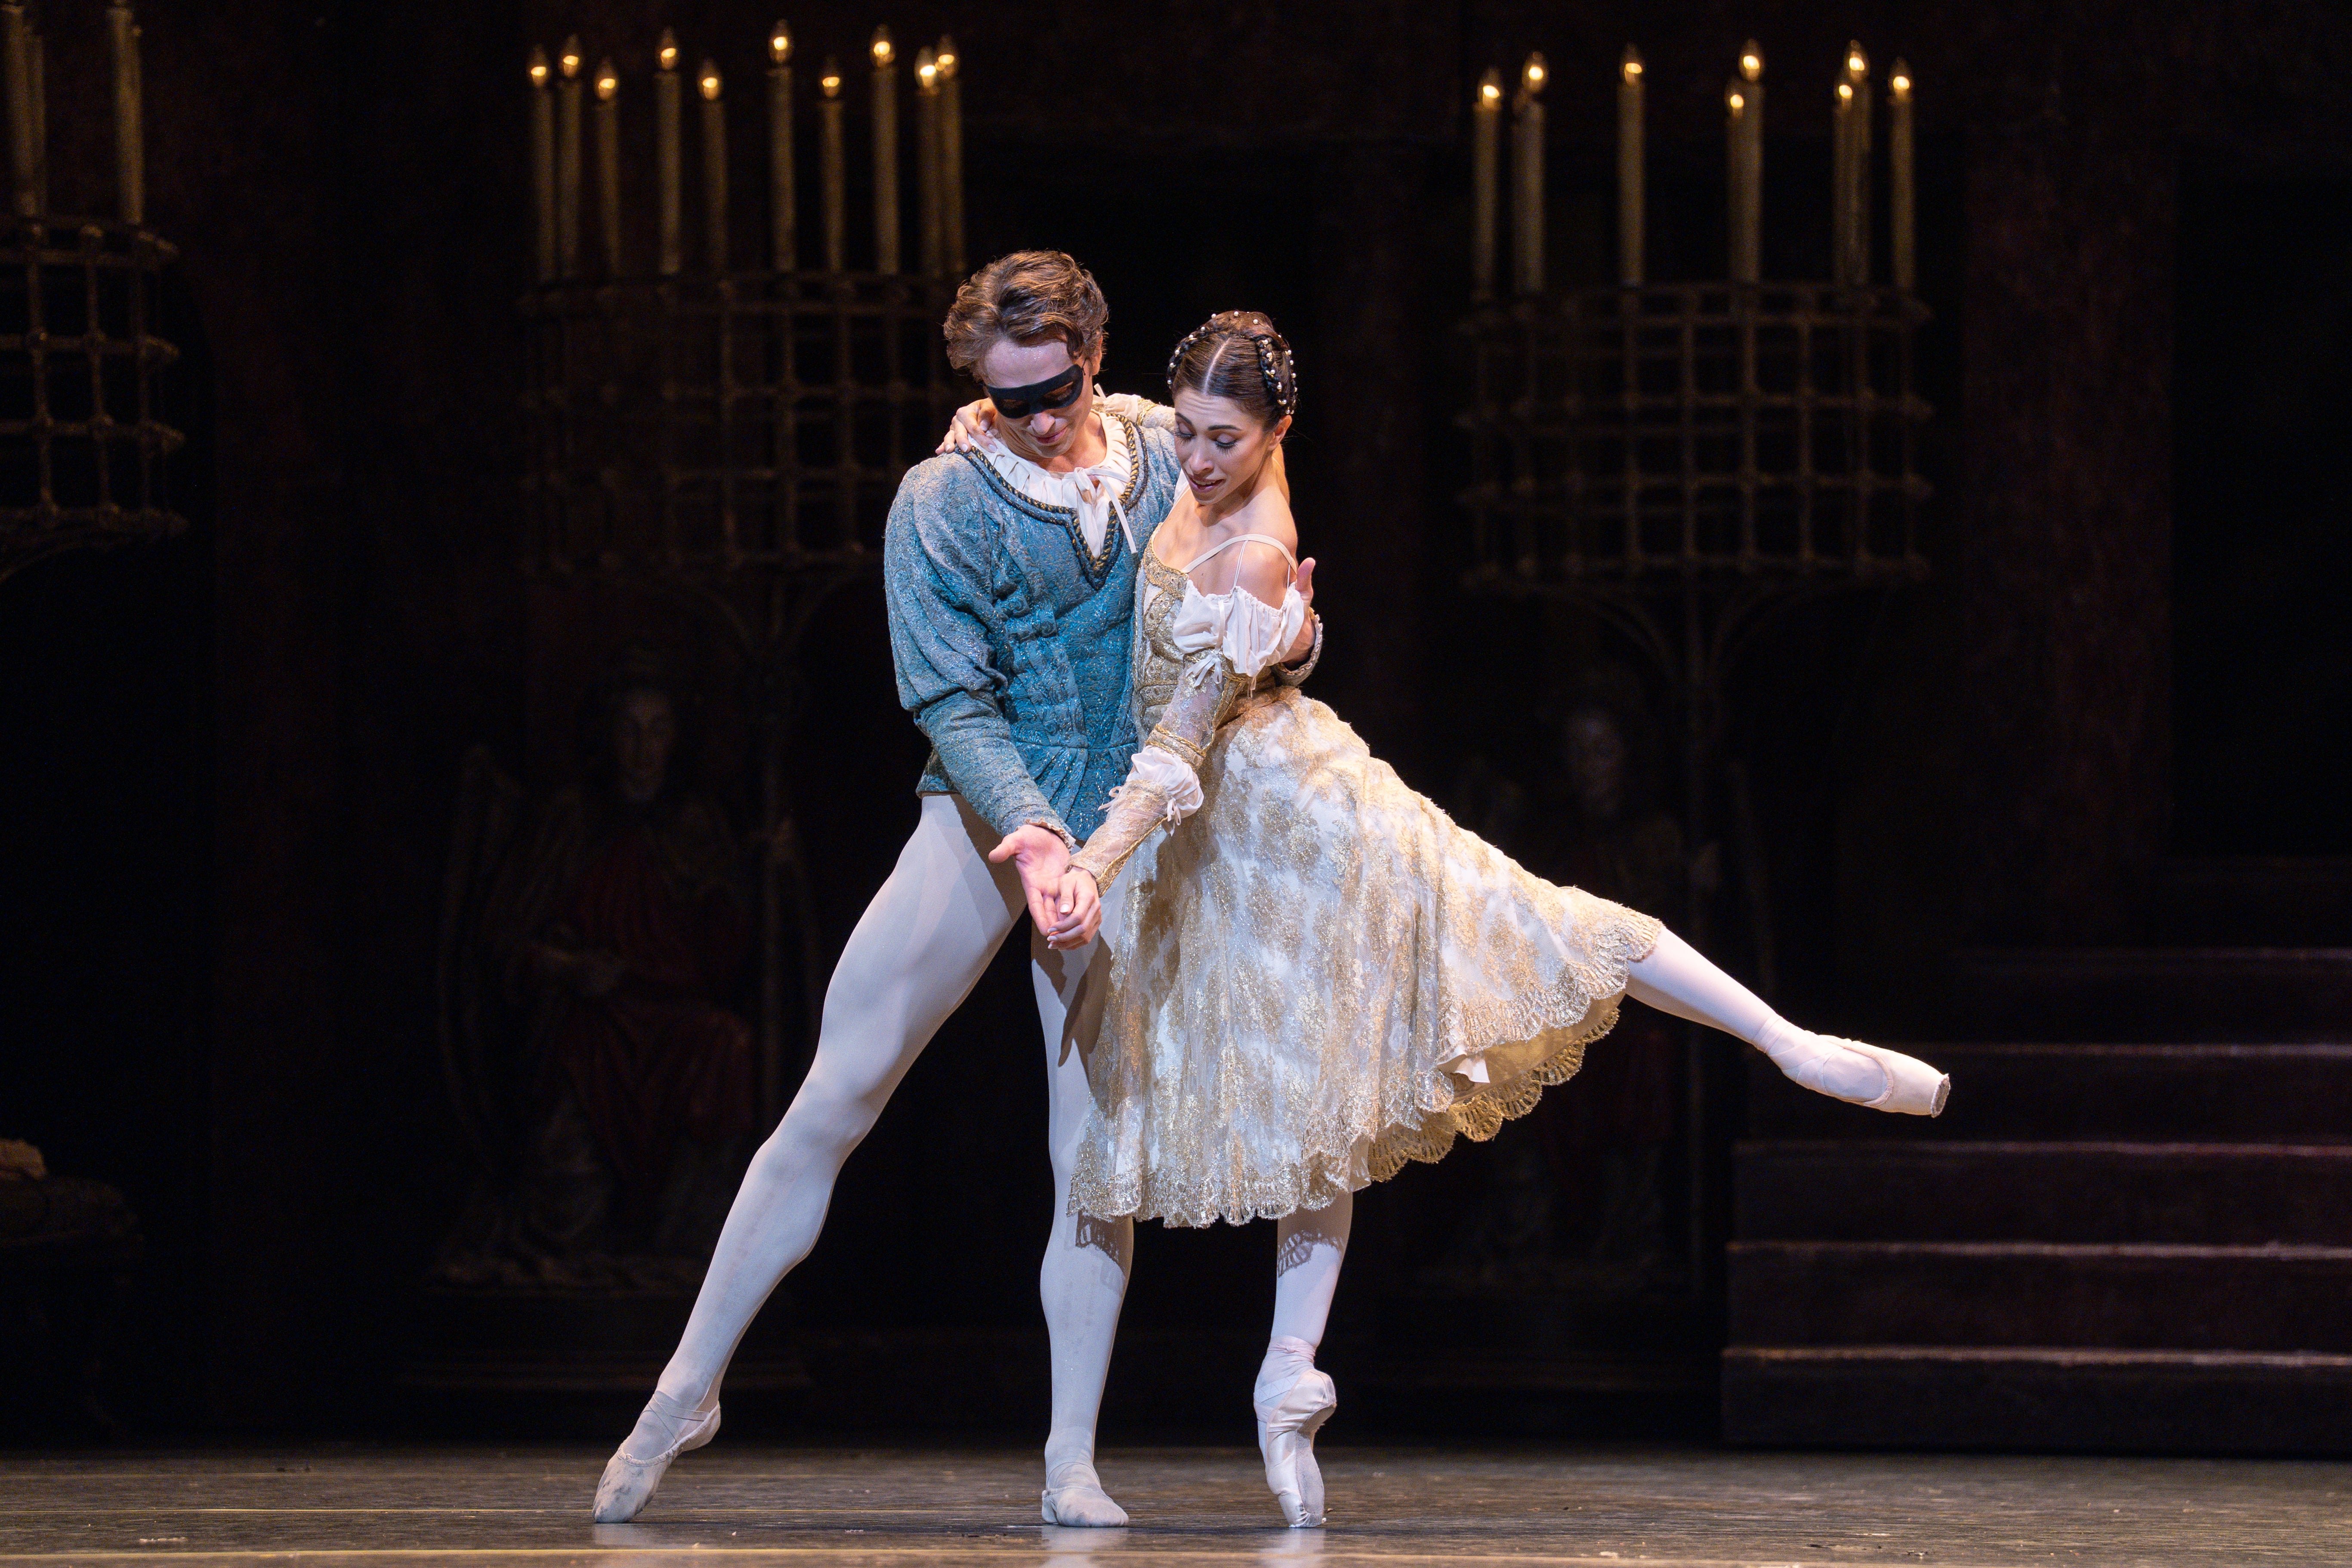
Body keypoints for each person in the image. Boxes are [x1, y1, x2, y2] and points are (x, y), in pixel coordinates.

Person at [1031, 312, 1949, 1528]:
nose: (1199, 458)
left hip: (1308, 831)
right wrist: (981, 426)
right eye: (1190, 431)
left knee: (1541, 931)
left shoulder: (1254, 555)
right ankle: (1288, 1369)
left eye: (1225, 440)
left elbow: (1175, 746)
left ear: (1274, 435)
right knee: (1323, 1104)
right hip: (1238, 855)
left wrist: (1092, 860)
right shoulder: (1174, 447)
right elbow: (1125, 430)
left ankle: (1791, 1043)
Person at [590, 256, 1318, 1527]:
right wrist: (1031, 836)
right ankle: (684, 1387)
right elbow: (945, 693)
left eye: (1058, 389)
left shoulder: (1159, 444)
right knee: (837, 1087)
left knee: (1090, 1158)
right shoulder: (942, 497)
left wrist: (1294, 633)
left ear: (1097, 351)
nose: (1039, 419)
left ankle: (1071, 1461)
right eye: (1011, 397)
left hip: (1125, 824)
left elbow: (1259, 546)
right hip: (985, 808)